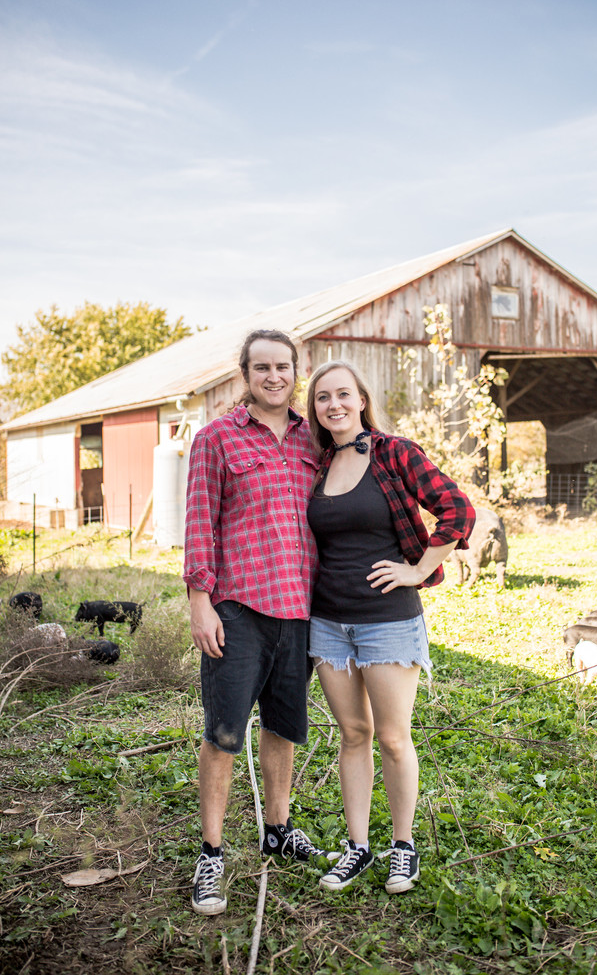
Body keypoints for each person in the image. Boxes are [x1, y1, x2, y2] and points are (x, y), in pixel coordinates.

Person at [306, 360, 475, 894]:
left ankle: (403, 847)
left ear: (361, 400)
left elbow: (456, 508)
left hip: (387, 622)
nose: (333, 405)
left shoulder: (393, 452)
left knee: (393, 738)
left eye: (343, 395)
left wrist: (421, 568)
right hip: (329, 622)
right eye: (322, 398)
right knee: (352, 735)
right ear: (314, 409)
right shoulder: (315, 464)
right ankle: (358, 847)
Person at [183, 329, 337, 916]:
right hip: (239, 608)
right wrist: (201, 600)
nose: (274, 376)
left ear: (296, 371)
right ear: (244, 373)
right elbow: (201, 523)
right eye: (262, 367)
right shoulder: (216, 439)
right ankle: (213, 853)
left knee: (284, 725)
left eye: (283, 367)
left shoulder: (314, 439)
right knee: (225, 732)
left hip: (300, 608)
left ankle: (278, 828)